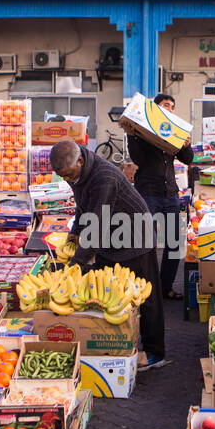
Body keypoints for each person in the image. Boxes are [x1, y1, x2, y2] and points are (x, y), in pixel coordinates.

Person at [50, 140, 169, 370]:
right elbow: (83, 206)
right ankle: (116, 344)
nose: (66, 179)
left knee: (146, 297)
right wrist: (74, 234)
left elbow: (97, 225)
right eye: (61, 176)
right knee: (107, 295)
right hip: (110, 239)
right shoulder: (78, 173)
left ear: (80, 161)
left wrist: (77, 263)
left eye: (67, 174)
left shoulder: (104, 177)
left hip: (135, 237)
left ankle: (155, 353)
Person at [119, 92, 194, 300]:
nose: (168, 109)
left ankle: (164, 287)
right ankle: (143, 289)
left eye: (171, 106)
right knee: (144, 242)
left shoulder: (174, 133)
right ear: (155, 108)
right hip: (147, 194)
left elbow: (188, 159)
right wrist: (132, 135)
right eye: (164, 105)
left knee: (174, 244)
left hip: (170, 194)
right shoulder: (144, 132)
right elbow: (138, 159)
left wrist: (186, 145)